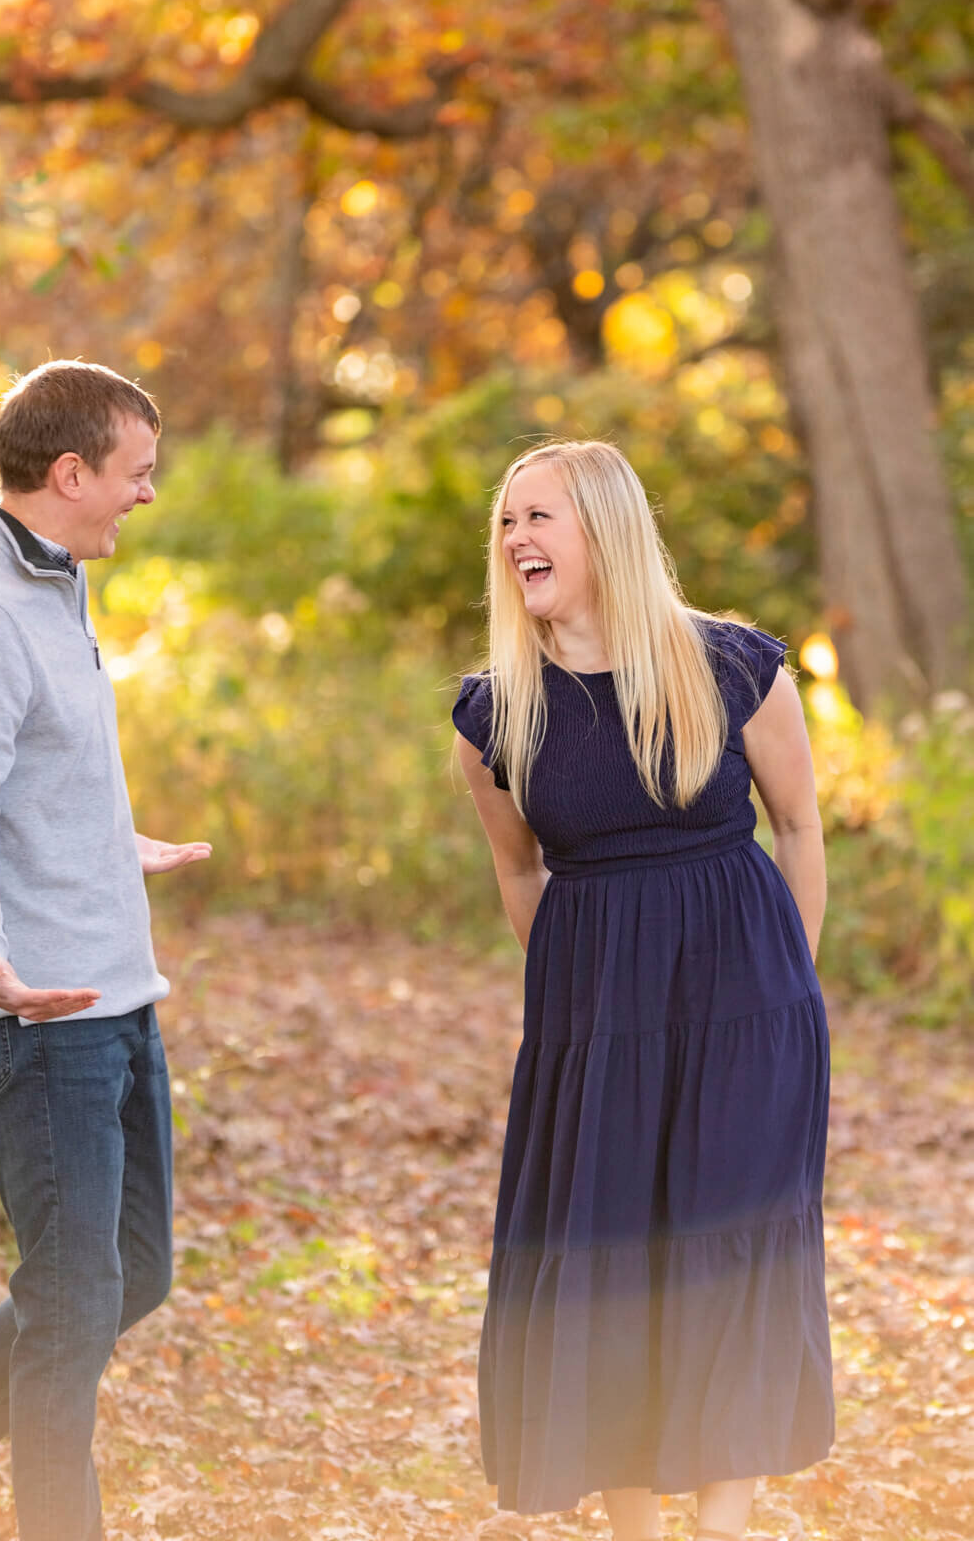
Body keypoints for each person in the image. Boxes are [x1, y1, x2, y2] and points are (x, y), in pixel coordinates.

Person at [452, 441, 832, 1541]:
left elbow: (800, 826)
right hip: (593, 1015)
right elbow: (519, 870)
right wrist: (578, 1005)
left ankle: (722, 1517)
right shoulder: (495, 716)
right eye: (508, 518)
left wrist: (786, 987)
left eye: (542, 516)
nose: (518, 535)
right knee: (605, 1247)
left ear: (605, 530)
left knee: (732, 1240)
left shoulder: (729, 665)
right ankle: (635, 1524)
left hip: (750, 997)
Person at [0, 360, 211, 1541]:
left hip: (113, 989)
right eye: (135, 474)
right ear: (69, 473)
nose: (145, 496)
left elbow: (29, 773)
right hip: (39, 1008)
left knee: (132, 1270)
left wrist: (108, 837)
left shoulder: (49, 579)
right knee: (73, 1304)